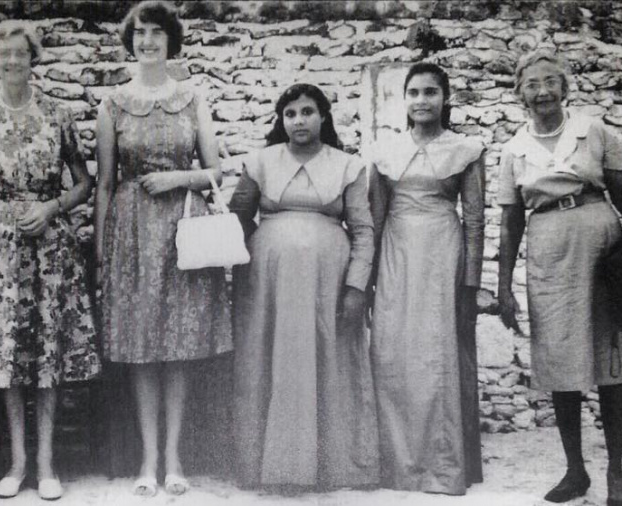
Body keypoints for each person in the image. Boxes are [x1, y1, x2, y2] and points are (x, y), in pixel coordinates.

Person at [95, 0, 232, 496]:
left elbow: (216, 172)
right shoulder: (112, 104)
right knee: (140, 347)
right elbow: (104, 183)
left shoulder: (193, 98)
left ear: (171, 40)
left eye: (156, 32)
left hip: (182, 232)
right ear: (129, 41)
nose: (147, 41)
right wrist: (101, 250)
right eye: (139, 33)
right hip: (131, 234)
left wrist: (177, 178)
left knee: (178, 344)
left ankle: (174, 457)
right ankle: (147, 460)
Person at [497, 49, 622, 506]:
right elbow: (510, 221)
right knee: (560, 361)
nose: (542, 91)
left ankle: (616, 473)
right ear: (520, 93)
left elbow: (621, 190)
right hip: (549, 253)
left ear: (564, 87)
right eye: (532, 84)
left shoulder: (592, 130)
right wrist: (503, 285)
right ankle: (575, 471)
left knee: (609, 360)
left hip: (600, 245)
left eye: (550, 81)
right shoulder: (513, 150)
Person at [0, 22, 100, 501]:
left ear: (33, 57)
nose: (12, 61)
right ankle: (17, 462)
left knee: (46, 353)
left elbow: (84, 183)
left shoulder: (57, 115)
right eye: (4, 53)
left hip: (50, 247)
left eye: (21, 53)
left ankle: (46, 464)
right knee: (8, 356)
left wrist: (51, 208)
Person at [229, 83, 379, 490]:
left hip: (327, 284)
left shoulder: (347, 166)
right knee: (268, 362)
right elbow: (238, 219)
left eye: (308, 112)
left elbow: (363, 231)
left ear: (323, 117)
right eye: (290, 113)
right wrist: (245, 265)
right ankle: (266, 466)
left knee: (326, 362)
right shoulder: (260, 162)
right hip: (269, 286)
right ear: (281, 120)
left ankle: (329, 467)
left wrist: (356, 287)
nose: (299, 120)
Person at [369, 62, 486, 495]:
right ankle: (398, 465)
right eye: (414, 93)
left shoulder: (465, 149)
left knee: (438, 353)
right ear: (404, 100)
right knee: (393, 352)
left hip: (442, 252)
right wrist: (367, 278)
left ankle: (442, 466)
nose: (422, 101)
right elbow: (374, 218)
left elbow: (475, 220)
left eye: (431, 92)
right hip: (396, 253)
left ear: (445, 98)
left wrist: (470, 283)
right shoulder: (386, 150)